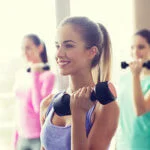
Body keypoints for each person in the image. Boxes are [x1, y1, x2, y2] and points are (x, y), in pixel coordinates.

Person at [40, 16, 119, 150]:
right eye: (57, 46)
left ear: (92, 52)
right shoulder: (48, 104)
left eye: (69, 46)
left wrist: (78, 115)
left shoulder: (105, 108)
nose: (59, 53)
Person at [12, 34, 55, 150]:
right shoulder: (20, 74)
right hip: (21, 137)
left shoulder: (48, 76)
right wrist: (15, 138)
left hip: (38, 137)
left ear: (40, 48)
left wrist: (35, 75)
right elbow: (19, 107)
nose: (24, 52)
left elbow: (39, 108)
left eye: (28, 48)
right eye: (23, 48)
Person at [116, 29, 150, 149]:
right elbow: (120, 114)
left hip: (142, 145)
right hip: (122, 144)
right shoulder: (124, 78)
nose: (135, 52)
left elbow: (140, 110)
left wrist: (135, 75)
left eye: (141, 47)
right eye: (132, 47)